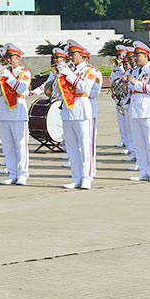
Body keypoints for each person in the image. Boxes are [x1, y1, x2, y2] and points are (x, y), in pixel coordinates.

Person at [57, 41, 98, 189]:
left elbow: (84, 87)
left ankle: (87, 177)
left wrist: (68, 74)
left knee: (85, 147)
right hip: (68, 110)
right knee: (72, 147)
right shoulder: (68, 70)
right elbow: (57, 92)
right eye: (70, 54)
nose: (70, 57)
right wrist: (59, 77)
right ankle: (76, 177)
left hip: (81, 109)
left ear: (81, 55)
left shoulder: (89, 70)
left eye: (73, 54)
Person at [0, 43, 31, 186]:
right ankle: (12, 172)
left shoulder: (24, 73)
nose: (8, 60)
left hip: (18, 112)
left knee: (20, 145)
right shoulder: (4, 72)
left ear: (18, 58)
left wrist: (7, 76)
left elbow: (21, 89)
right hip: (4, 112)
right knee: (8, 146)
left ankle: (23, 173)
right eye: (7, 57)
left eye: (11, 57)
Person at [125, 41, 150, 182]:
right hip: (135, 109)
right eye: (135, 54)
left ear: (146, 55)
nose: (135, 57)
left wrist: (136, 83)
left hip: (149, 109)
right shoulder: (134, 71)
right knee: (139, 143)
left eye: (138, 54)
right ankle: (143, 170)